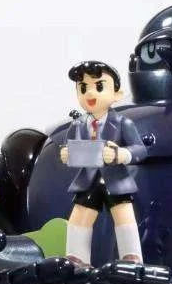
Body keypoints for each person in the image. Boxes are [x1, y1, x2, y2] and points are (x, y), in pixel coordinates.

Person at [60, 60, 146, 265]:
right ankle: (77, 259)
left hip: (116, 179)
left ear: (117, 94)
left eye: (99, 86)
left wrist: (121, 154)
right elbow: (67, 147)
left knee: (123, 215)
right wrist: (66, 154)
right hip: (88, 180)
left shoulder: (123, 123)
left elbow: (140, 149)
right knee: (80, 215)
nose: (90, 93)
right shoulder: (77, 125)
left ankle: (131, 257)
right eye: (83, 88)